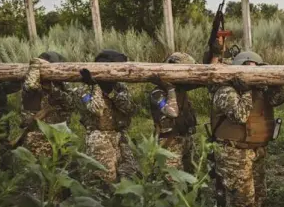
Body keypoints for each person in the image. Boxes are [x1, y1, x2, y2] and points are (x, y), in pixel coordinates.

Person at [209, 51, 284, 207]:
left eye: (255, 69)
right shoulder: (225, 91)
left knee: (259, 196)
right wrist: (245, 91)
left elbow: (279, 99)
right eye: (248, 69)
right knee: (242, 200)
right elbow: (240, 115)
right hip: (234, 153)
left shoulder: (259, 89)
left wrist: (274, 83)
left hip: (257, 149)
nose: (252, 73)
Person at [76, 50, 138, 186]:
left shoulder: (119, 87)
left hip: (120, 136)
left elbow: (130, 109)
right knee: (104, 179)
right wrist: (96, 87)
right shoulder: (85, 89)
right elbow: (96, 109)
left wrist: (111, 93)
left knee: (130, 176)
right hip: (99, 137)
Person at [148, 52, 201, 174]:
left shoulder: (181, 88)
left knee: (191, 177)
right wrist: (169, 89)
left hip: (185, 139)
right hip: (169, 143)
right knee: (173, 182)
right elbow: (172, 113)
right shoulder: (157, 93)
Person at [18, 52, 76, 158]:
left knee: (64, 169)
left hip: (60, 135)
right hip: (37, 137)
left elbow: (71, 104)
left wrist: (53, 89)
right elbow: (31, 87)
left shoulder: (62, 84)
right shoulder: (30, 84)